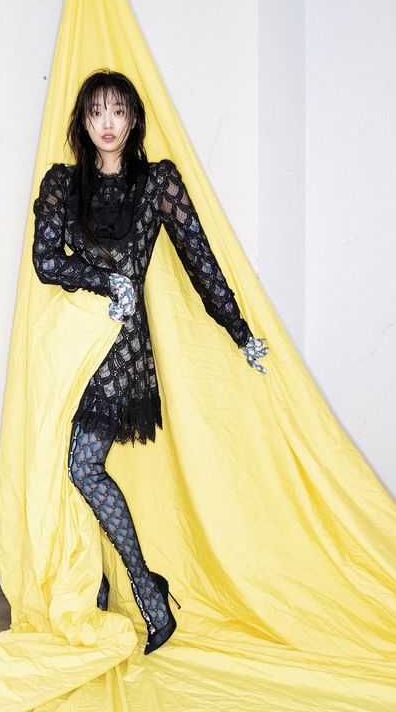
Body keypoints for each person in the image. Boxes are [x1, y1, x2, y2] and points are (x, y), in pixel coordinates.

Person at [31, 69, 268, 655]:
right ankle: (90, 583)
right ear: (83, 123)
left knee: (84, 466)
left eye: (117, 111)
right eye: (96, 113)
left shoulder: (157, 182)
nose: (107, 123)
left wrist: (239, 330)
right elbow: (46, 261)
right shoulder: (62, 184)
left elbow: (200, 260)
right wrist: (106, 279)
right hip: (70, 348)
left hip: (123, 351)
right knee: (58, 469)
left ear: (133, 119)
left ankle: (145, 586)